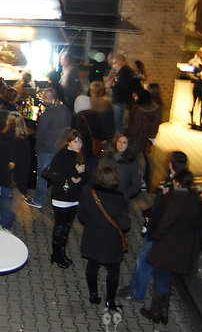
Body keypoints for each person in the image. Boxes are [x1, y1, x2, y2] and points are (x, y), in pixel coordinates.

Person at [118, 151, 188, 303]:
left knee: (144, 261)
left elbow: (169, 210)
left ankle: (136, 293)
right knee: (149, 262)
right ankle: (139, 289)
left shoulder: (176, 185)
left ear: (171, 164)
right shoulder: (174, 180)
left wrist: (155, 214)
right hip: (160, 227)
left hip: (159, 230)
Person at [141, 169, 202, 325]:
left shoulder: (176, 203)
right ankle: (163, 310)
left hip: (168, 246)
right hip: (183, 246)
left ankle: (157, 311)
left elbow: (164, 225)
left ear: (177, 182)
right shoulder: (195, 201)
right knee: (166, 277)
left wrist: (154, 236)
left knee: (161, 276)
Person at [78, 165, 130, 311]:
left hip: (93, 237)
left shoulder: (88, 192)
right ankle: (110, 301)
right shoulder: (120, 198)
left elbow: (82, 217)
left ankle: (93, 295)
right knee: (113, 271)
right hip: (111, 241)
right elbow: (125, 225)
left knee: (92, 266)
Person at [44, 130, 88, 269]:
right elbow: (57, 175)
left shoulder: (80, 155)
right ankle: (56, 254)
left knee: (67, 227)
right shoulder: (62, 155)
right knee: (60, 226)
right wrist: (76, 173)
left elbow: (86, 174)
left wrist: (80, 178)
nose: (78, 144)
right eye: (75, 141)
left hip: (74, 197)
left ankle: (62, 252)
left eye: (80, 141)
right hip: (62, 197)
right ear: (69, 142)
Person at [26, 88, 71, 209]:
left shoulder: (48, 113)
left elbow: (41, 133)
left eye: (45, 97)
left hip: (47, 149)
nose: (43, 99)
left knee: (43, 175)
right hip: (61, 147)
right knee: (57, 173)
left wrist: (37, 148)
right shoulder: (66, 109)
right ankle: (58, 198)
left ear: (52, 98)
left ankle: (38, 200)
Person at [0, 112, 31, 232]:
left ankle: (6, 222)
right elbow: (25, 161)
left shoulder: (1, 137)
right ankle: (4, 223)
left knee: (5, 198)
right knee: (15, 201)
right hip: (16, 177)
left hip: (4, 174)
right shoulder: (22, 141)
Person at [99, 133, 142, 201]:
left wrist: (124, 195)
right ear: (116, 143)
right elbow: (98, 176)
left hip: (120, 197)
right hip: (104, 194)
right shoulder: (107, 157)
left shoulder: (132, 162)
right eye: (119, 141)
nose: (121, 144)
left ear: (128, 145)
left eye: (124, 142)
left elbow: (136, 185)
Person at [108, 54, 136, 133]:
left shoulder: (124, 72)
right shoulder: (125, 71)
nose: (114, 65)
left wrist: (112, 85)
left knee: (118, 122)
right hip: (124, 99)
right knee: (120, 122)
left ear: (120, 62)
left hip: (120, 100)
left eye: (115, 63)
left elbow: (120, 86)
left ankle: (118, 137)